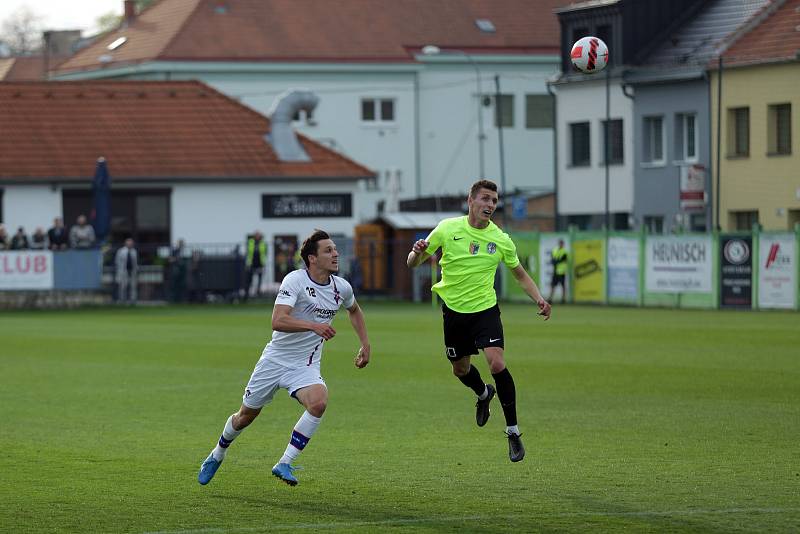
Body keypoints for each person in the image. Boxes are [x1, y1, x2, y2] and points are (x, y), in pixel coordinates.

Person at [198, 229, 371, 487]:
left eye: (335, 249)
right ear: (312, 258)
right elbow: (278, 321)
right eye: (328, 250)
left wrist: (365, 344)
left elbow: (354, 310)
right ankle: (218, 453)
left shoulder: (341, 287)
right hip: (274, 360)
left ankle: (285, 462)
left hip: (305, 364)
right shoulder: (295, 280)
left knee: (319, 402)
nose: (336, 254)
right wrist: (313, 326)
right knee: (246, 415)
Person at [406, 179, 551, 463]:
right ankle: (484, 394)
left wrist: (539, 298)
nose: (490, 205)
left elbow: (519, 273)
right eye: (485, 199)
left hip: (485, 310)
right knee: (460, 370)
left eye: (494, 201)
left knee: (497, 363)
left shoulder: (501, 239)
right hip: (454, 312)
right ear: (470, 201)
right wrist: (417, 251)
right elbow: (413, 263)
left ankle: (512, 431)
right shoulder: (448, 228)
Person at [244, 231, 267, 301]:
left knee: (259, 280)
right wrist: (247, 264)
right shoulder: (251, 242)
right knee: (249, 280)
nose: (257, 236)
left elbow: (265, 253)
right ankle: (247, 294)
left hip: (260, 264)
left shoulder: (263, 243)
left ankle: (258, 293)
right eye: (256, 235)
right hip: (251, 264)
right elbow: (248, 253)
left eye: (258, 235)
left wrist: (263, 264)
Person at [115, 238, 138, 304]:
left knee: (133, 287)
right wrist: (119, 270)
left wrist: (136, 269)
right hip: (123, 271)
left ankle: (133, 301)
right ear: (125, 244)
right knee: (122, 286)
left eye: (131, 243)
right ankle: (122, 300)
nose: (130, 245)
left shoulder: (134, 251)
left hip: (132, 271)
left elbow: (135, 262)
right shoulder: (121, 251)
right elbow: (117, 261)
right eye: (128, 243)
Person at [548, 239, 568, 304]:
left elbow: (562, 260)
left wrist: (555, 261)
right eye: (560, 243)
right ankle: (550, 298)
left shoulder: (565, 252)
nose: (561, 245)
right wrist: (554, 261)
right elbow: (552, 258)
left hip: (562, 271)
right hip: (556, 271)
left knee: (563, 285)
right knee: (553, 285)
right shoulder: (555, 250)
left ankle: (563, 299)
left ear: (563, 244)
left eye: (562, 243)